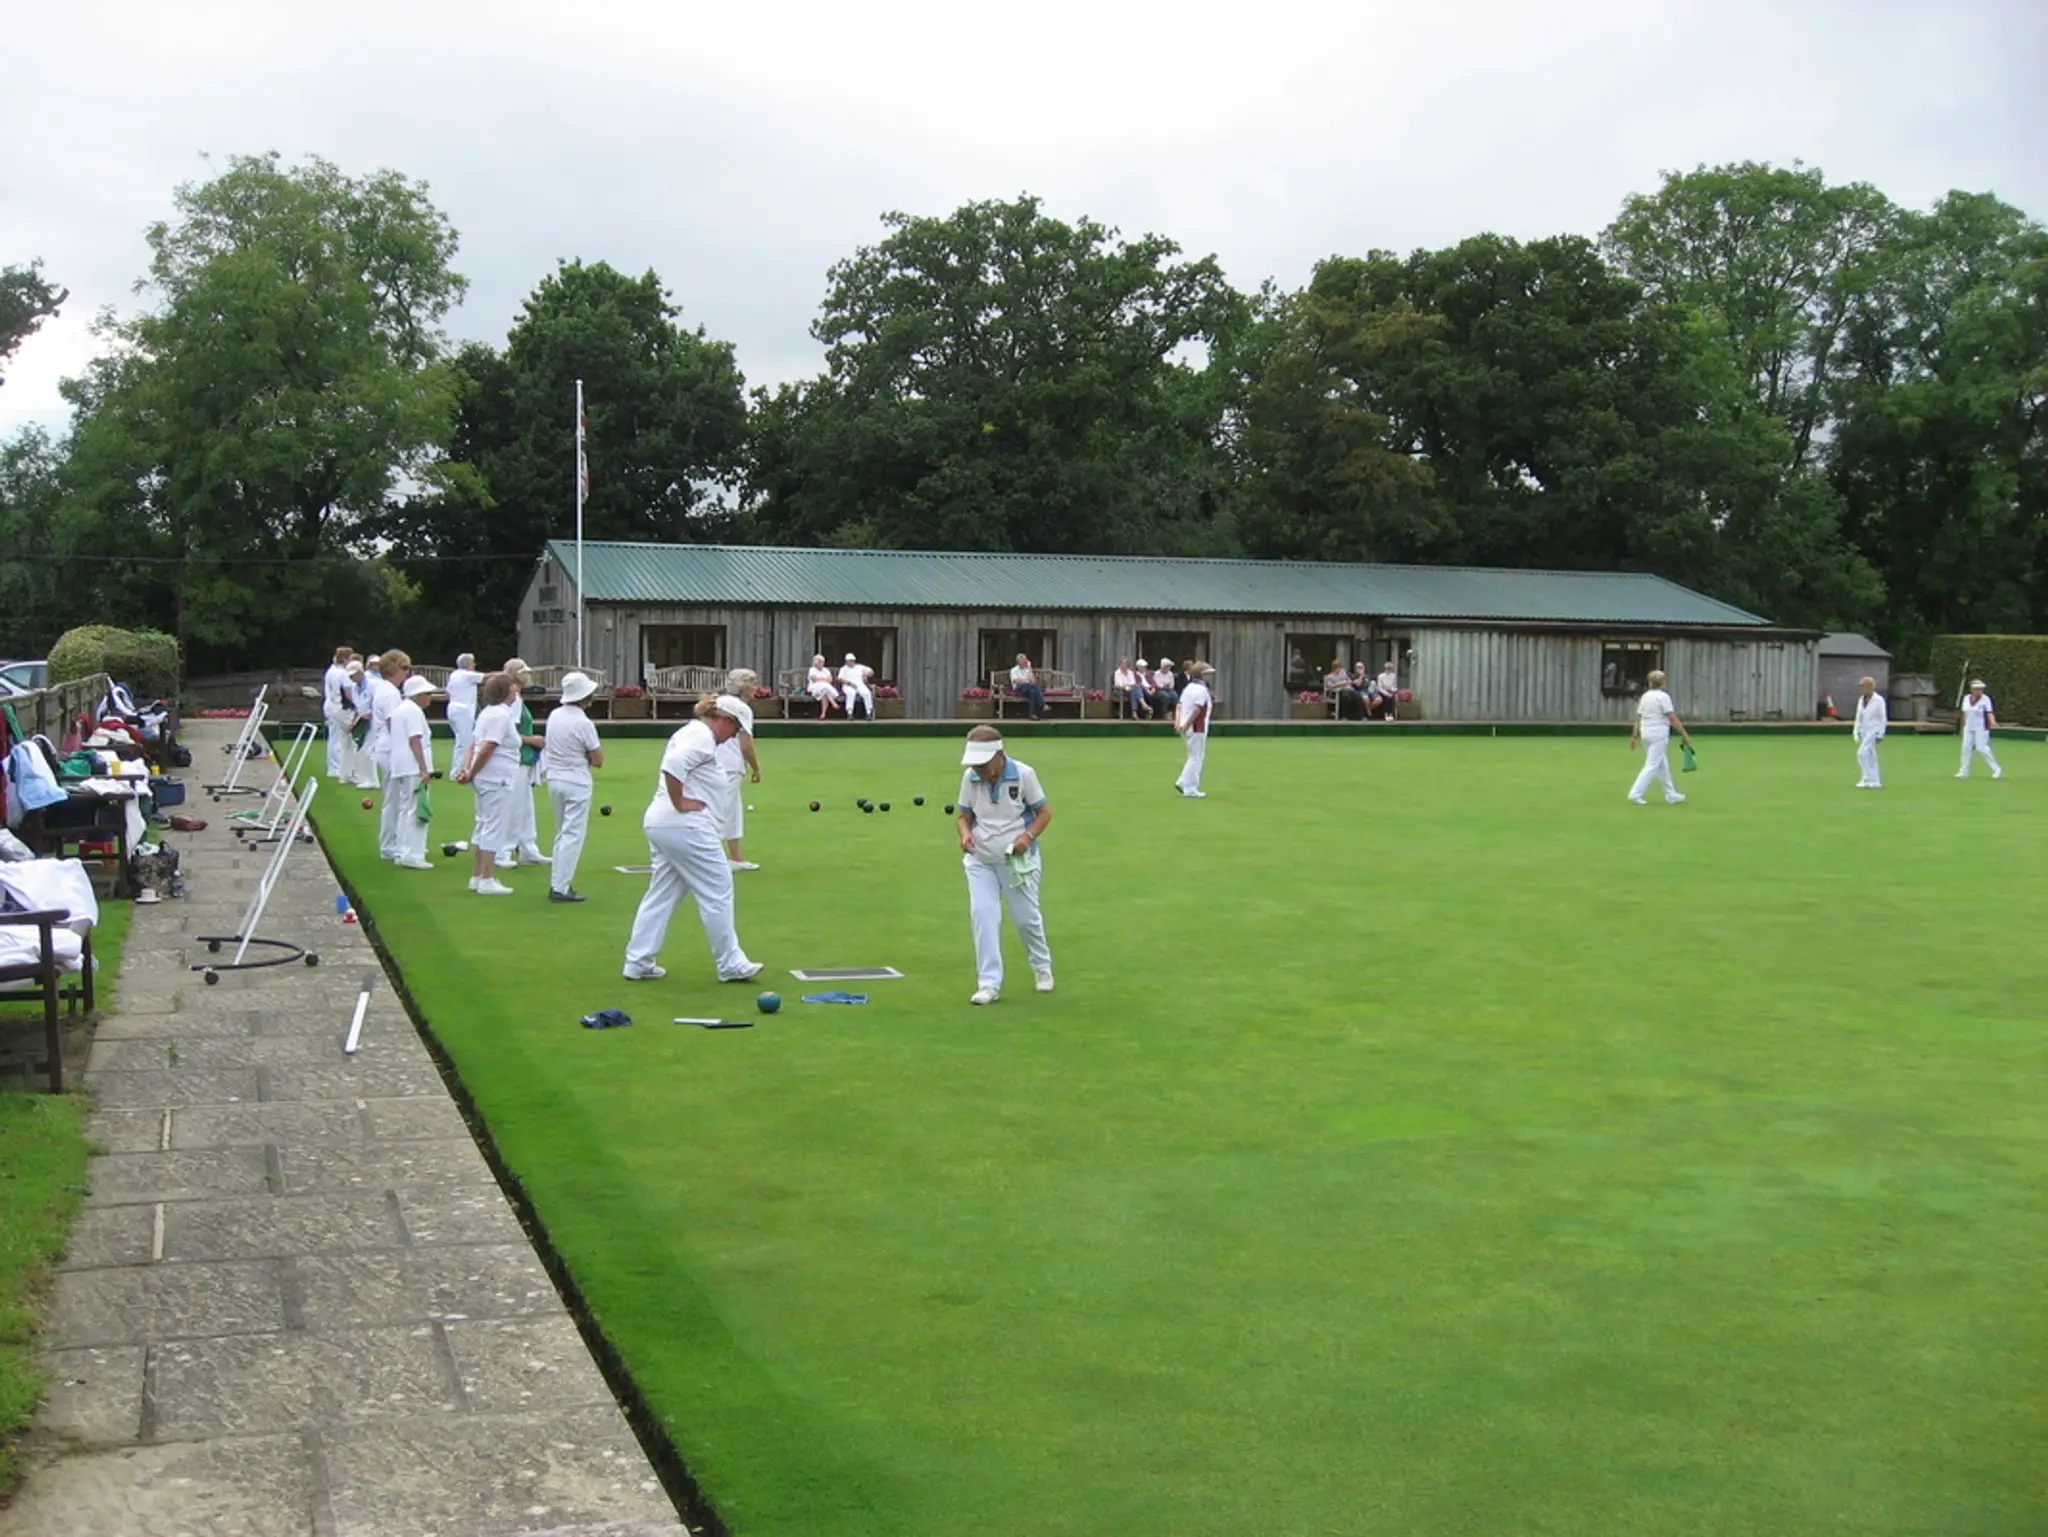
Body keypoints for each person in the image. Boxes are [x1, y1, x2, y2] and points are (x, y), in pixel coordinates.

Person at [622, 694, 764, 982]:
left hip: (664, 823)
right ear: (724, 720)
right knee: (718, 888)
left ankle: (638, 960)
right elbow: (674, 766)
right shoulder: (701, 736)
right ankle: (730, 963)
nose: (733, 738)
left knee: (662, 893)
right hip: (685, 825)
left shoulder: (692, 732)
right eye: (735, 731)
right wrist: (680, 802)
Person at [955, 726, 1054, 1005]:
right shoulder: (970, 778)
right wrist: (965, 834)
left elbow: (1044, 813)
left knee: (1026, 919)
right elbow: (963, 815)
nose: (978, 769)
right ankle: (988, 984)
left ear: (1000, 754)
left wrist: (1027, 837)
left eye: (983, 763)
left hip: (1017, 860)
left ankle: (1041, 966)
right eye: (975, 764)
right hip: (980, 860)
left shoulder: (1024, 774)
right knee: (983, 917)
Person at [452, 671, 520, 894]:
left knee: (483, 823)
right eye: (512, 687)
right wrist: (470, 771)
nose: (516, 690)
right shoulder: (500, 715)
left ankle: (477, 876)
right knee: (492, 825)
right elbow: (487, 747)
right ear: (505, 690)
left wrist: (468, 770)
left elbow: (473, 744)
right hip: (496, 778)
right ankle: (487, 879)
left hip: (487, 777)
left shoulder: (487, 713)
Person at [543, 671, 604, 901]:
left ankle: (557, 882)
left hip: (555, 780)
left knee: (562, 833)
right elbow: (598, 759)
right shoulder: (583, 722)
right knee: (572, 835)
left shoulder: (554, 715)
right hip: (576, 782)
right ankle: (560, 887)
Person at [497, 658, 550, 868]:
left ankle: (528, 848)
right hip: (515, 759)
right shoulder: (513, 699)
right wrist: (532, 740)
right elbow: (508, 732)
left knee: (526, 807)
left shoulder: (516, 696)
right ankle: (504, 851)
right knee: (514, 806)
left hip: (524, 759)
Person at [387, 675, 438, 869]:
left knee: (405, 808)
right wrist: (424, 769)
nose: (430, 698)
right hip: (411, 767)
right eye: (427, 694)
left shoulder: (401, 709)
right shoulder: (414, 711)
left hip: (401, 765)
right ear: (417, 695)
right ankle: (412, 854)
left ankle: (402, 851)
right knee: (417, 810)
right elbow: (414, 741)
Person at [719, 668, 765, 871]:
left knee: (733, 812)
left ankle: (737, 858)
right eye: (753, 684)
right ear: (743, 687)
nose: (756, 689)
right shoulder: (742, 709)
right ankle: (708, 859)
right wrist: (756, 768)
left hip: (713, 763)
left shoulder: (718, 701)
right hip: (727, 766)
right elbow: (745, 744)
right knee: (720, 813)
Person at [1627, 668, 1693, 805]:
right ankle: (1635, 793)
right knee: (1652, 764)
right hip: (1659, 733)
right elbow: (1672, 717)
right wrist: (1683, 732)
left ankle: (1671, 794)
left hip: (1646, 732)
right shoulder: (1663, 697)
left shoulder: (1645, 696)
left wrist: (1634, 736)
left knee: (1662, 765)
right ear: (1663, 682)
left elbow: (1638, 717)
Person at [370, 649, 412, 860]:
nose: (407, 673)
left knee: (395, 799)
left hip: (386, 748)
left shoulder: (387, 690)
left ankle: (394, 842)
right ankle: (389, 845)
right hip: (389, 750)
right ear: (394, 668)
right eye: (405, 668)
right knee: (394, 800)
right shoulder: (389, 693)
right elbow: (394, 724)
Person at [1174, 662, 1214, 797]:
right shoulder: (1201, 690)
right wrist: (1184, 724)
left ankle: (1184, 782)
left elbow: (1179, 706)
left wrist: (1178, 722)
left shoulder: (1188, 687)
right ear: (1202, 675)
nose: (1210, 676)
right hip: (1197, 727)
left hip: (1187, 726)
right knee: (1196, 757)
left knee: (1193, 756)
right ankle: (1189, 787)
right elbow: (1197, 710)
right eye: (1208, 674)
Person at [445, 653, 484, 776]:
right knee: (467, 742)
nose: (474, 665)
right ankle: (464, 771)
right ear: (469, 664)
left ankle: (456, 771)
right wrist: (505, 674)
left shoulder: (454, 675)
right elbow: (485, 677)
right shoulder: (467, 675)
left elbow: (447, 692)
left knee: (460, 741)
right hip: (462, 711)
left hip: (452, 709)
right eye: (473, 662)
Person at [322, 646, 356, 781]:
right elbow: (348, 693)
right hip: (339, 707)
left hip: (330, 704)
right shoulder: (343, 674)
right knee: (342, 738)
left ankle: (333, 767)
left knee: (334, 737)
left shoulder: (331, 670)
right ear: (344, 659)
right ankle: (338, 768)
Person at [1956, 679, 2002, 779]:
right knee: (1965, 748)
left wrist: (1993, 722)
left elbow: (1989, 712)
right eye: (1977, 689)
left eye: (1981, 689)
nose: (1979, 691)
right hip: (1968, 727)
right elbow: (1964, 713)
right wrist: (1962, 727)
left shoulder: (1986, 699)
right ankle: (1964, 771)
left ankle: (1996, 769)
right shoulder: (1966, 698)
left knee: (1981, 748)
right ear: (1972, 689)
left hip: (1981, 727)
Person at [350, 658, 384, 789]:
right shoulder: (354, 688)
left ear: (360, 673)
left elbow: (379, 701)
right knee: (363, 749)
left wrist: (372, 712)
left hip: (375, 721)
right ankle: (367, 779)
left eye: (353, 675)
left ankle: (373, 781)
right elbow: (358, 706)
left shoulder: (374, 684)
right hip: (363, 721)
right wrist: (355, 721)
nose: (352, 678)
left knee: (369, 750)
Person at [1852, 675, 1887, 789]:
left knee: (1861, 754)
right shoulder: (1861, 700)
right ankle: (1875, 781)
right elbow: (1858, 717)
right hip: (1864, 731)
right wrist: (1856, 731)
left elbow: (1883, 717)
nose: (1861, 689)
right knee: (1871, 757)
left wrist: (1881, 733)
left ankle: (1867, 777)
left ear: (1869, 687)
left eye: (1863, 686)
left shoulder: (1879, 700)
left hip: (1874, 731)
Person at [838, 654, 875, 720]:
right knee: (851, 693)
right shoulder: (843, 669)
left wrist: (866, 675)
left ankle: (868, 713)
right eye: (849, 661)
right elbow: (840, 679)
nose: (851, 662)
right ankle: (850, 713)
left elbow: (871, 672)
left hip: (859, 684)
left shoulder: (860, 667)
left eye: (852, 661)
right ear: (846, 661)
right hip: (848, 685)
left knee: (867, 693)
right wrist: (849, 683)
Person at [1009, 654, 1046, 720]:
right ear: (1019, 662)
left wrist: (1029, 668)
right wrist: (1026, 681)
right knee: (1034, 687)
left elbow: (1033, 681)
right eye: (1023, 660)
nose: (1025, 662)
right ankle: (1042, 705)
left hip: (1029, 688)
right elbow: (1016, 681)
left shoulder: (1027, 669)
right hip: (1019, 688)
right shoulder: (1014, 670)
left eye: (1025, 660)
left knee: (1033, 692)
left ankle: (1033, 714)